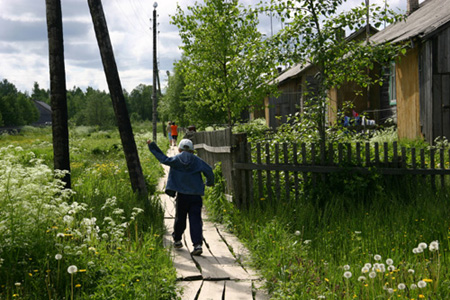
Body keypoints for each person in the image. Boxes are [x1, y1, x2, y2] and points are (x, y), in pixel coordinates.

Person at [146, 138, 214, 256]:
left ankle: (177, 240)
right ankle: (197, 245)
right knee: (196, 220)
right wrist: (209, 182)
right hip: (195, 196)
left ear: (179, 149)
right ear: (192, 150)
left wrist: (152, 145)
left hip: (182, 195)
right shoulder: (197, 161)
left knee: (180, 218)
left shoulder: (176, 159)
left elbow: (163, 159)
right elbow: (209, 171)